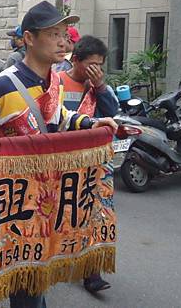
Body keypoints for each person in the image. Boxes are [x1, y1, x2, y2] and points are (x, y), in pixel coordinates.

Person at [0, 1, 117, 308]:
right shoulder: (1, 85)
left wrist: (94, 123)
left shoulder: (53, 81)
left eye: (64, 34)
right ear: (29, 39)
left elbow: (61, 117)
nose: (63, 41)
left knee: (29, 282)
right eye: (53, 34)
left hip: (38, 202)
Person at [57, 34, 119, 294]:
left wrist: (101, 86)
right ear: (75, 59)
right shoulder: (56, 83)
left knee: (96, 216)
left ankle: (91, 272)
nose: (96, 70)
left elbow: (113, 113)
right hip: (61, 162)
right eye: (91, 64)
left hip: (94, 162)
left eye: (100, 66)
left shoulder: (99, 88)